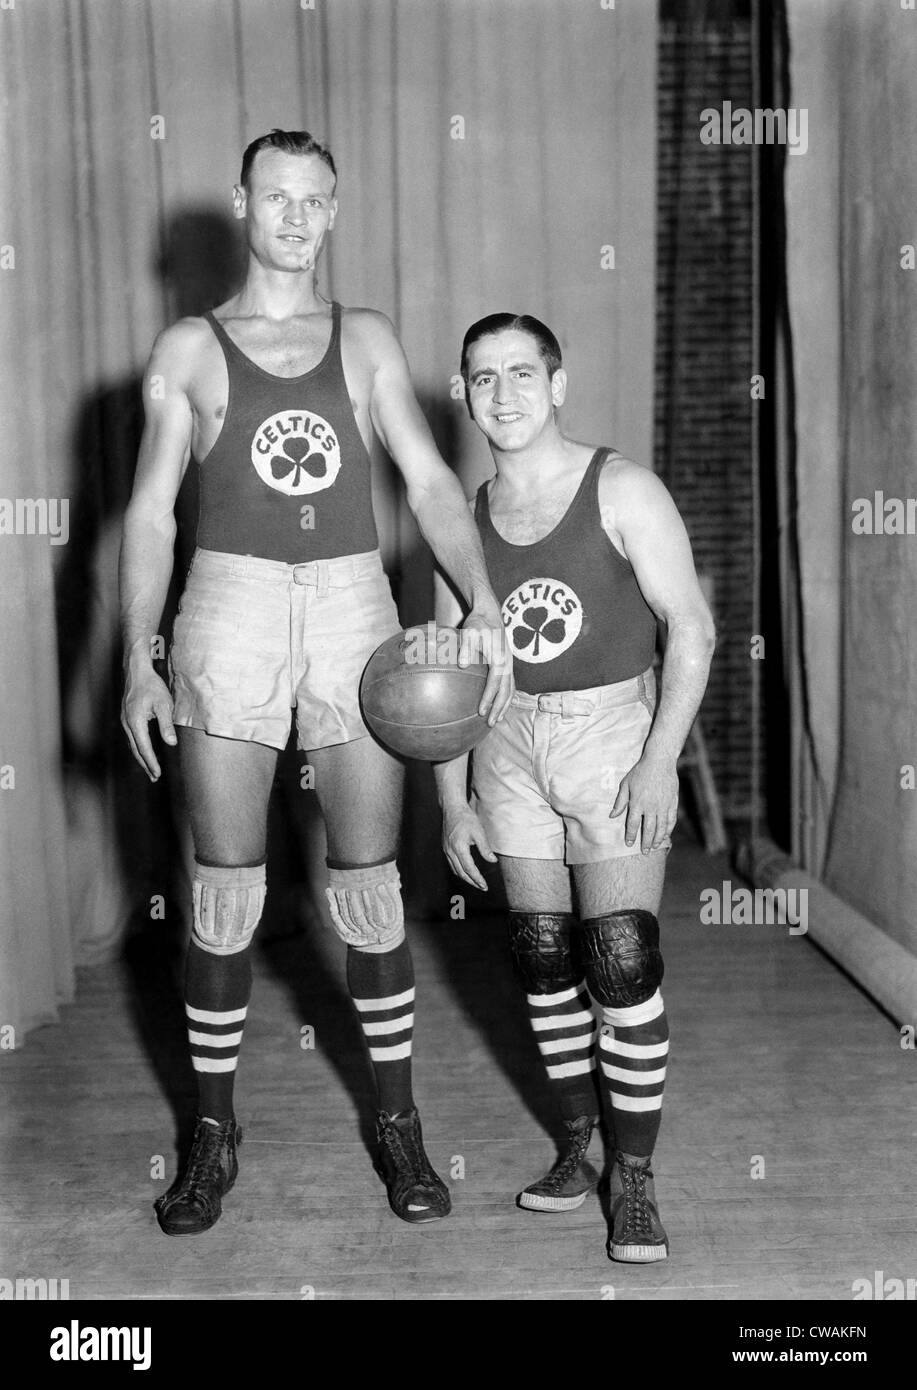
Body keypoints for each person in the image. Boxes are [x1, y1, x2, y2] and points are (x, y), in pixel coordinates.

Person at [119, 130, 512, 1236]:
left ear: (334, 212)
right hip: (228, 603)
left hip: (349, 602)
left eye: (314, 199)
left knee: (368, 882)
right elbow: (150, 514)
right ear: (241, 204)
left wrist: (477, 595)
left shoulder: (369, 338)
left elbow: (432, 479)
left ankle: (394, 1120)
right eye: (275, 196)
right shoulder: (191, 349)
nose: (294, 215)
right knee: (225, 885)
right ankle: (210, 1132)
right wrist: (136, 661)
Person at [434, 313, 715, 1262]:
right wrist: (450, 799)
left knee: (621, 958)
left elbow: (693, 628)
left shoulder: (622, 486)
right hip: (504, 747)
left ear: (557, 384)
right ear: (463, 395)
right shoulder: (462, 518)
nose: (503, 394)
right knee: (543, 956)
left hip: (609, 735)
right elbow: (442, 679)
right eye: (482, 379)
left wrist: (656, 756)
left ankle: (633, 1183)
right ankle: (574, 1151)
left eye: (522, 374)